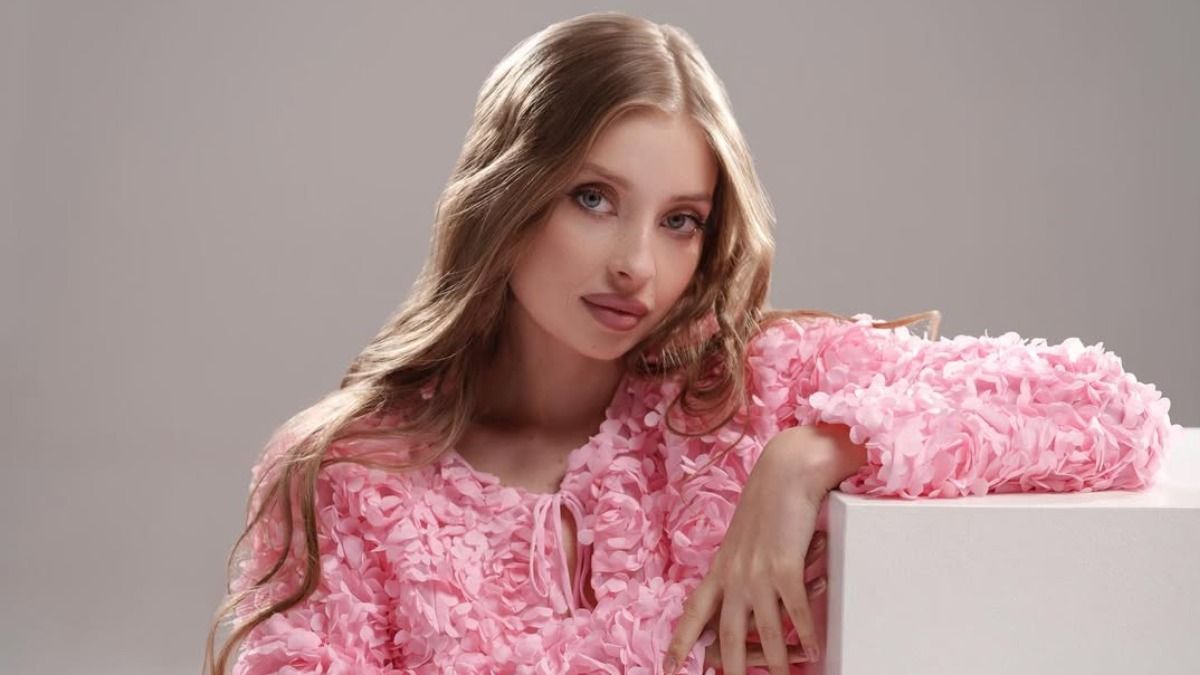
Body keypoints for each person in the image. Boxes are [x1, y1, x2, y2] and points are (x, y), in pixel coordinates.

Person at [202, 11, 1182, 675]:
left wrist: (811, 456)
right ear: (508, 193)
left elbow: (1108, 409)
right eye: (594, 198)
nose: (636, 263)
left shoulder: (755, 393)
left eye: (680, 221)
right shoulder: (349, 479)